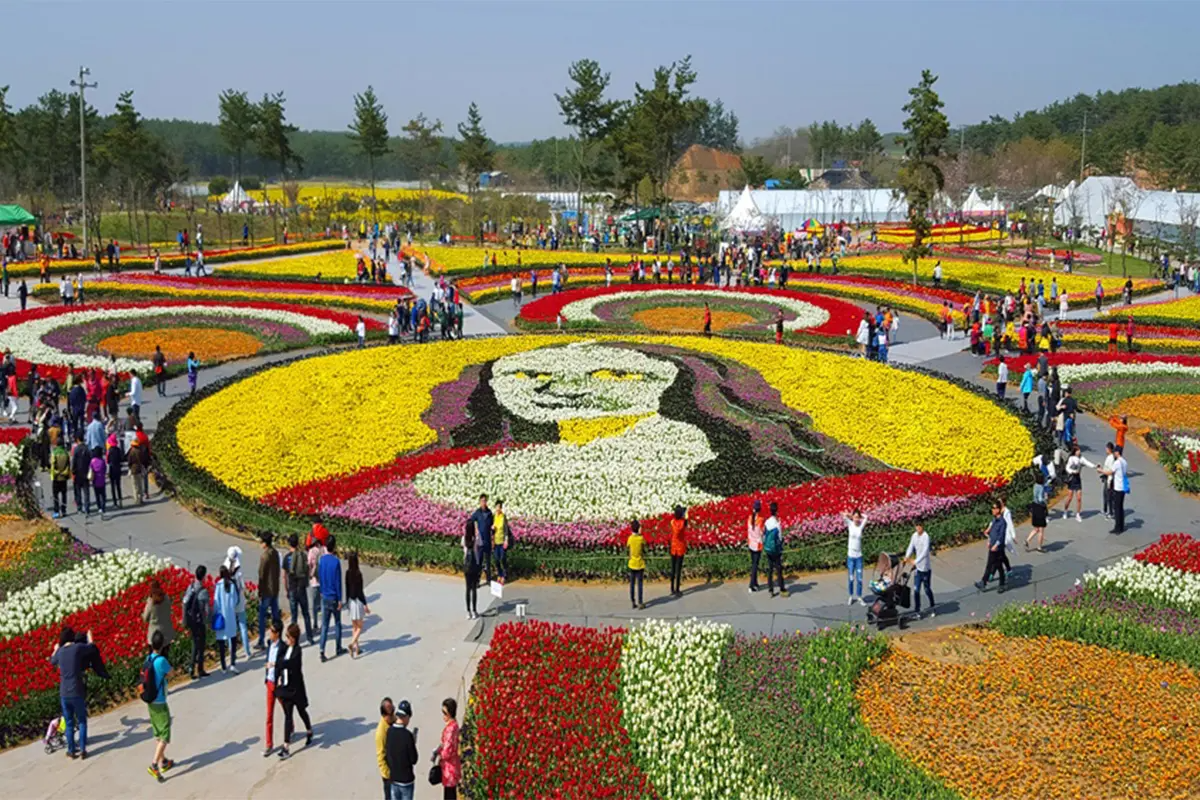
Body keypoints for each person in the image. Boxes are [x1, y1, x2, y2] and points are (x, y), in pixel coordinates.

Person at [50, 626, 109, 760]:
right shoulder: (77, 648)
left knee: (69, 722)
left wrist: (54, 650)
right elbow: (92, 648)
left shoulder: (60, 652)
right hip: (77, 690)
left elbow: (52, 661)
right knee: (82, 720)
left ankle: (71, 751)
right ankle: (83, 749)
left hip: (64, 692)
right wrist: (90, 637)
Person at [273, 623, 313, 759]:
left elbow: (290, 664)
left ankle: (309, 730)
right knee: (288, 716)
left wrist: (277, 664)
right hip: (286, 687)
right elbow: (280, 660)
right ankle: (286, 746)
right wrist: (278, 674)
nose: (287, 639)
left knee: (301, 711)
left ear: (294, 638)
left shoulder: (297, 651)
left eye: (288, 637)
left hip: (296, 688)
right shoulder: (285, 649)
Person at [142, 630, 175, 782]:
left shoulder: (148, 658)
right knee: (165, 734)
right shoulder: (161, 661)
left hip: (150, 701)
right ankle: (154, 765)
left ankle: (164, 761)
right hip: (160, 700)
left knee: (158, 732)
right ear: (162, 645)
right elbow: (171, 673)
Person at [318, 535, 345, 661]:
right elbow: (338, 582)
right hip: (334, 596)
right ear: (334, 546)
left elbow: (320, 577)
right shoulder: (336, 561)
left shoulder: (322, 560)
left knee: (325, 625)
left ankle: (322, 650)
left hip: (325, 595)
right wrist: (340, 599)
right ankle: (338, 647)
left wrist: (322, 591)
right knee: (338, 623)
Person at [385, 699, 418, 800]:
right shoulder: (407, 735)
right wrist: (413, 743)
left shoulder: (389, 731)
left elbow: (388, 754)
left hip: (394, 778)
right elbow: (414, 759)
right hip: (406, 780)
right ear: (406, 717)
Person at [284, 534, 315, 645]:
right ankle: (310, 637)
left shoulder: (287, 557)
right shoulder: (302, 555)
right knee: (306, 614)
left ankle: (294, 639)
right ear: (298, 543)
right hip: (301, 588)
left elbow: (285, 576)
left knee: (294, 616)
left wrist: (286, 589)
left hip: (292, 589)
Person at [224, 546, 252, 661]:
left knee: (231, 628)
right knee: (243, 627)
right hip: (239, 602)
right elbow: (242, 587)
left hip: (230, 603)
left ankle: (232, 652)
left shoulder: (225, 573)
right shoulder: (238, 573)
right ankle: (247, 651)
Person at [182, 566, 210, 679]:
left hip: (191, 620)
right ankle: (200, 669)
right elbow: (207, 610)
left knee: (194, 643)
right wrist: (207, 622)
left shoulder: (191, 587)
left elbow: (184, 602)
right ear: (203, 577)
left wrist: (184, 620)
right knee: (201, 645)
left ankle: (191, 668)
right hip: (199, 622)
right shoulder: (203, 592)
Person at [975, 502, 1008, 593]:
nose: (992, 510)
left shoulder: (1002, 522)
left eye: (994, 508)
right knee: (997, 566)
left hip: (998, 548)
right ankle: (999, 583)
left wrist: (996, 545)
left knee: (993, 566)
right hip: (992, 546)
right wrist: (989, 541)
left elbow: (1001, 536)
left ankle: (985, 582)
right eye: (992, 508)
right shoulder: (994, 520)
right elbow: (991, 532)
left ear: (998, 510)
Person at [257, 533, 282, 652]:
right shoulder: (275, 553)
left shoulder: (264, 556)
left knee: (262, 615)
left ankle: (261, 640)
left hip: (267, 590)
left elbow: (261, 575)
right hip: (275, 588)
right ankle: (278, 636)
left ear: (264, 543)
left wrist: (260, 591)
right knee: (275, 615)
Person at [1057, 443, 1095, 522]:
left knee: (1079, 498)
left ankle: (1078, 514)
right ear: (1075, 451)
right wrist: (1072, 472)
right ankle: (1065, 511)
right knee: (1070, 497)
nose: (1079, 451)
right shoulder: (1071, 458)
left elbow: (1087, 463)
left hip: (1078, 479)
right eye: (1078, 450)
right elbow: (1067, 467)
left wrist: (1095, 466)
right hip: (1072, 479)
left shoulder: (1081, 458)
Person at [212, 566, 240, 672]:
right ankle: (233, 662)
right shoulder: (232, 585)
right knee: (232, 639)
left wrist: (215, 613)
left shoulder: (218, 585)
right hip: (230, 616)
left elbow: (216, 602)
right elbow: (236, 600)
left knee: (221, 643)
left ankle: (223, 666)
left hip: (221, 617)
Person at [904, 523, 934, 616]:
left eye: (920, 526)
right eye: (917, 526)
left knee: (927, 589)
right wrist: (906, 556)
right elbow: (910, 547)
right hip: (918, 569)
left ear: (923, 527)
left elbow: (925, 552)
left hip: (925, 568)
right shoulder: (914, 536)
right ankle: (917, 610)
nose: (918, 528)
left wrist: (916, 561)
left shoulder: (926, 537)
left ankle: (932, 606)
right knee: (916, 589)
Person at [434, 698, 462, 799]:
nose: (443, 716)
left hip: (449, 769)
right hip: (454, 766)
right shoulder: (455, 725)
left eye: (445, 713)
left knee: (449, 795)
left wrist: (439, 754)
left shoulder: (450, 729)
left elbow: (447, 752)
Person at [263, 620, 283, 757]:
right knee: (269, 715)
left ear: (277, 634)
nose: (269, 633)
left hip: (278, 683)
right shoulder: (269, 644)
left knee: (285, 707)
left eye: (272, 631)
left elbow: (284, 664)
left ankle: (291, 725)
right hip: (269, 682)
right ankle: (269, 744)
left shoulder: (283, 647)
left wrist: (274, 664)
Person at [346, 552, 371, 658]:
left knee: (354, 626)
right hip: (358, 601)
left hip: (351, 601)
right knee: (360, 626)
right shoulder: (358, 573)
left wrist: (346, 601)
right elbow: (360, 591)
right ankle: (352, 644)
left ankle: (357, 648)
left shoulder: (347, 573)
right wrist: (365, 604)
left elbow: (347, 588)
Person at [1100, 446, 1129, 534]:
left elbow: (1110, 472)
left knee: (1116, 508)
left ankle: (1117, 527)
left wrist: (1101, 470)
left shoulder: (1117, 463)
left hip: (1118, 487)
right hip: (1123, 487)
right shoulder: (1124, 462)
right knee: (1121, 507)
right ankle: (1121, 525)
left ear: (1117, 453)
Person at [469, 495, 495, 586]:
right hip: (480, 541)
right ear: (480, 502)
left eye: (485, 501)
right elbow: (470, 521)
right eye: (482, 501)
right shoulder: (477, 512)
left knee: (488, 561)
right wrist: (475, 530)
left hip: (487, 540)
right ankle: (477, 581)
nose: (484, 503)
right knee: (479, 561)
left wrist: (492, 539)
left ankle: (488, 580)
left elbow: (492, 527)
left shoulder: (489, 513)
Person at [842, 509, 867, 605]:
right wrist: (850, 515)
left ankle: (859, 596)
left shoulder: (860, 527)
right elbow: (844, 516)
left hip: (859, 557)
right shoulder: (850, 524)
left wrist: (860, 515)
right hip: (851, 557)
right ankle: (851, 596)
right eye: (855, 517)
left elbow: (867, 517)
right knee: (851, 578)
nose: (856, 519)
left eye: (858, 517)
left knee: (860, 579)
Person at [142, 579, 174, 652]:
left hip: (154, 636)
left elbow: (145, 618)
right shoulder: (166, 598)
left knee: (154, 658)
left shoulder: (151, 603)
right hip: (166, 633)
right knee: (165, 656)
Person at [763, 501, 786, 597]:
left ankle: (770, 589)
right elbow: (780, 537)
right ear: (777, 511)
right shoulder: (777, 523)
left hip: (768, 548)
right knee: (779, 568)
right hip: (776, 550)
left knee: (770, 568)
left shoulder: (767, 522)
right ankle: (782, 588)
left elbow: (764, 535)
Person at [1025, 471, 1049, 552]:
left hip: (1034, 506)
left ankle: (1027, 540)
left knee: (1036, 528)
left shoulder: (1035, 486)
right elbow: (1040, 499)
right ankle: (1039, 547)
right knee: (1041, 529)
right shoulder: (1041, 487)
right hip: (1039, 508)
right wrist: (1045, 499)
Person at [462, 517, 481, 620]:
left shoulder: (464, 538)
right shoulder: (477, 538)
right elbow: (481, 544)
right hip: (474, 564)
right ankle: (474, 611)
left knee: (467, 589)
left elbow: (463, 548)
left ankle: (468, 611)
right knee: (474, 589)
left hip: (466, 565)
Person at [377, 698, 395, 799]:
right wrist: (388, 774)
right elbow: (380, 756)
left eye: (393, 710)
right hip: (389, 775)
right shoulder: (381, 733)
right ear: (384, 715)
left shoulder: (393, 722)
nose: (394, 715)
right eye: (391, 713)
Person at [668, 505, 687, 597]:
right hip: (681, 547)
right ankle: (677, 589)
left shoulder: (672, 522)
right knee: (678, 569)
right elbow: (685, 519)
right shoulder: (684, 523)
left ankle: (671, 588)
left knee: (673, 568)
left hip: (673, 547)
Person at [492, 498, 512, 584]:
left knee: (503, 558)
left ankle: (504, 575)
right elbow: (491, 529)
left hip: (502, 541)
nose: (498, 509)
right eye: (497, 507)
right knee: (496, 560)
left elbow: (506, 529)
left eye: (499, 507)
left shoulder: (503, 517)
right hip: (495, 541)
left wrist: (506, 540)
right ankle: (499, 574)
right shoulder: (493, 517)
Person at [627, 519, 645, 609]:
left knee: (632, 583)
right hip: (640, 563)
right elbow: (643, 549)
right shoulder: (641, 539)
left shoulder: (630, 539)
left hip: (632, 563)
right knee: (640, 584)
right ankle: (640, 602)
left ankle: (633, 601)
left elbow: (629, 550)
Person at [746, 500, 764, 593]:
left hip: (751, 544)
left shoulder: (749, 518)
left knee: (754, 564)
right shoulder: (760, 520)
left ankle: (756, 584)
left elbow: (748, 531)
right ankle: (751, 585)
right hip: (757, 545)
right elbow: (761, 533)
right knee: (755, 565)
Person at [49, 436, 70, 517]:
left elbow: (52, 464)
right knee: (64, 494)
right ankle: (64, 510)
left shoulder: (54, 453)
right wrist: (65, 473)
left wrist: (55, 473)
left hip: (56, 477)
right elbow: (68, 464)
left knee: (55, 495)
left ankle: (56, 511)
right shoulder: (65, 453)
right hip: (64, 477)